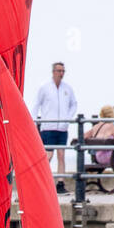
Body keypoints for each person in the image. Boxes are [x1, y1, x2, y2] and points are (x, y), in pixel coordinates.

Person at [33, 62, 78, 194]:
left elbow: (73, 104)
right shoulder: (45, 87)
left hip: (62, 127)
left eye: (63, 71)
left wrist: (67, 118)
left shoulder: (67, 89)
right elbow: (36, 104)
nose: (61, 73)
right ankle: (43, 181)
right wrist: (35, 120)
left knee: (61, 155)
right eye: (59, 70)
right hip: (48, 126)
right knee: (48, 155)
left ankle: (60, 183)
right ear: (53, 71)